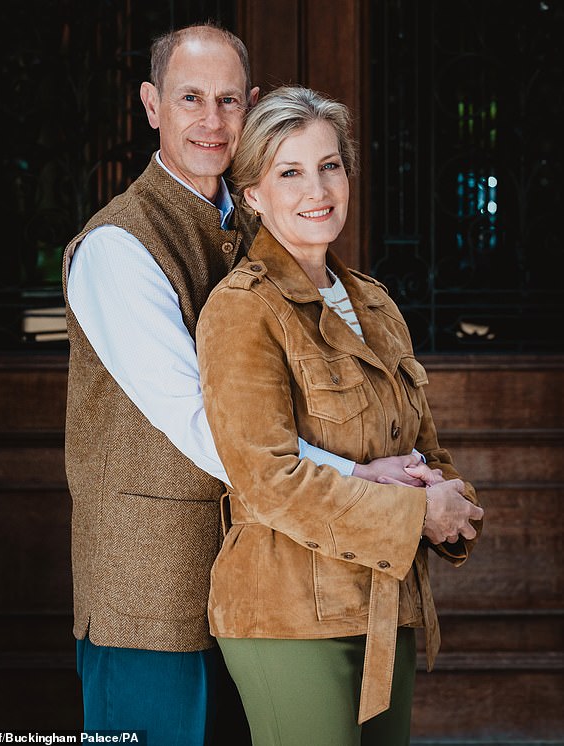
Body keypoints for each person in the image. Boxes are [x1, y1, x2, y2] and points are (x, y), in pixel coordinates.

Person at [62, 22, 422, 745]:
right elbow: (202, 420)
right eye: (189, 97)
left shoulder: (259, 226)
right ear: (151, 105)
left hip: (264, 579)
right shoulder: (117, 247)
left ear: (251, 105)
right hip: (153, 587)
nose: (211, 119)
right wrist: (363, 481)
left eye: (229, 100)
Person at [196, 85, 485, 746]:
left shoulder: (376, 304)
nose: (316, 188)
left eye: (330, 165)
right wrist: (417, 513)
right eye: (289, 172)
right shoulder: (242, 309)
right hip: (287, 612)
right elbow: (265, 479)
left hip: (386, 604)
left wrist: (450, 502)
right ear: (252, 195)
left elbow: (423, 449)